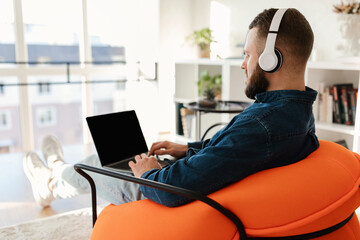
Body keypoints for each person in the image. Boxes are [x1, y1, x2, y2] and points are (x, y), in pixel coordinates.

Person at [23, 8, 319, 208]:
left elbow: (174, 190)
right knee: (112, 156)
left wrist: (148, 174)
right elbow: (235, 154)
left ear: (272, 60)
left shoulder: (262, 125)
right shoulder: (297, 113)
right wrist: (187, 149)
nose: (243, 64)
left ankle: (51, 178)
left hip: (163, 192)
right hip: (196, 181)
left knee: (94, 163)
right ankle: (53, 174)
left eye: (247, 55)